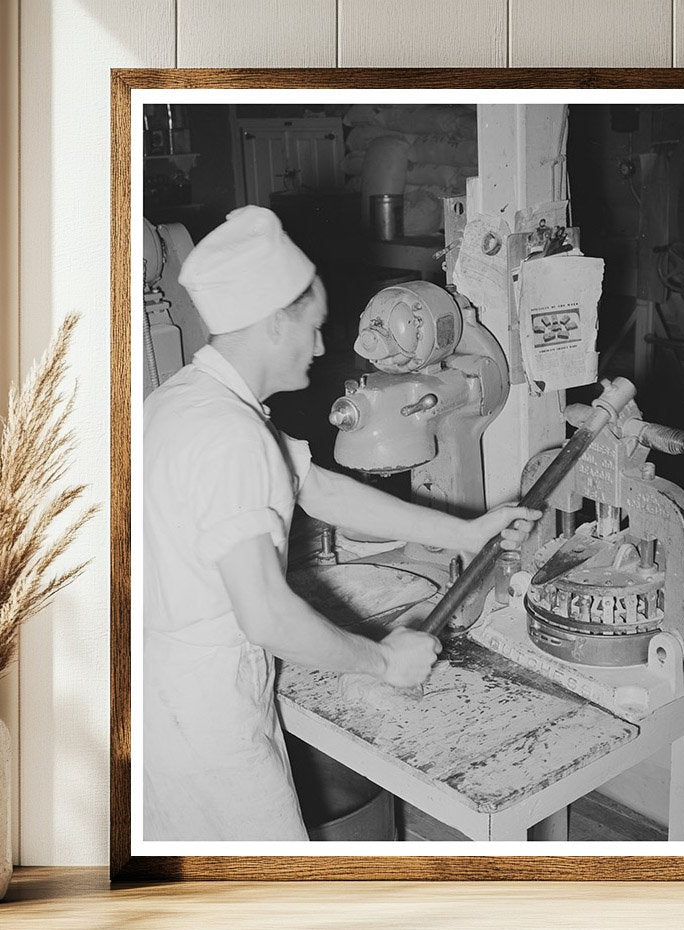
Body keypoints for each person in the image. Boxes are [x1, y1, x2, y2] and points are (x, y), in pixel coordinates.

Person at [142, 205, 539, 842]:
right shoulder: (230, 438)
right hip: (206, 718)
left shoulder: (188, 402)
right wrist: (384, 662)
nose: (324, 346)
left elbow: (320, 489)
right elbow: (267, 616)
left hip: (163, 698)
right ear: (275, 323)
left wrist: (466, 533)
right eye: (315, 326)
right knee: (272, 911)